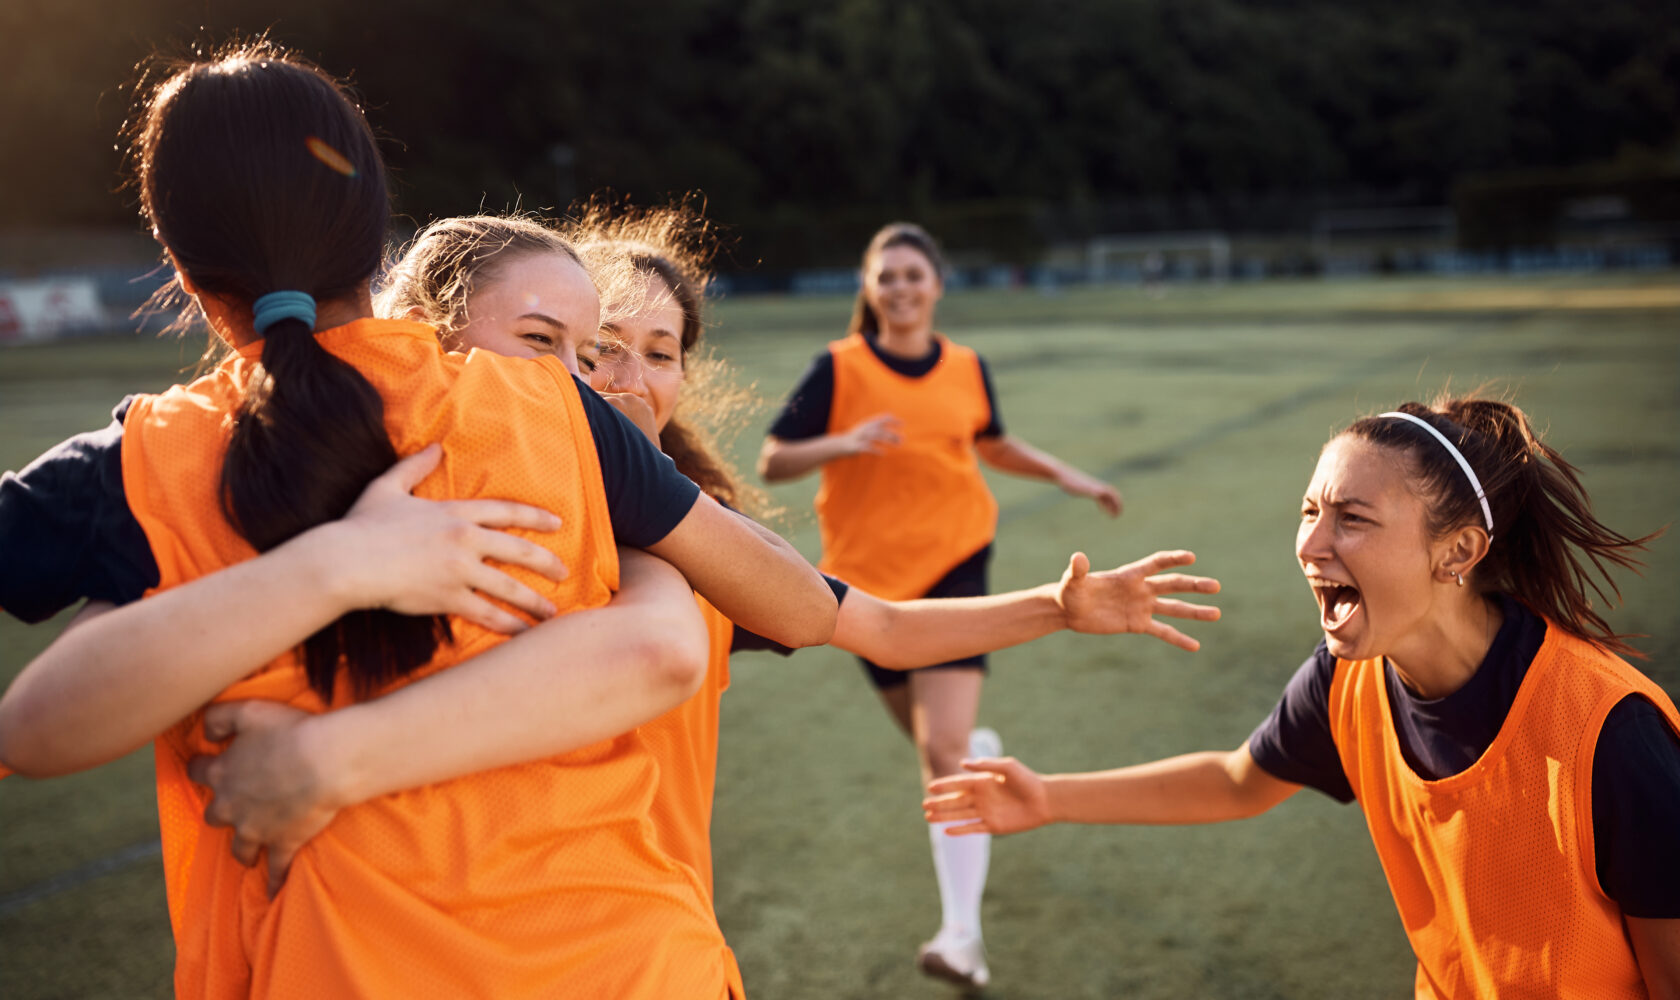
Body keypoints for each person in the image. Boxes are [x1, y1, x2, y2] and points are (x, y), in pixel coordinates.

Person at [181, 206, 1219, 994]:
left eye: (660, 351)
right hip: (406, 942)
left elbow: (877, 624)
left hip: (640, 940)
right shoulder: (395, 500)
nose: (626, 376)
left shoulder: (705, 546)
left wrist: (1058, 605)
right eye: (592, 350)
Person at [0, 44, 837, 1000]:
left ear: (186, 277)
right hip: (632, 965)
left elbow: (31, 729)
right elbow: (801, 611)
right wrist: (656, 572)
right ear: (377, 245)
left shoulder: (152, 462)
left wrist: (327, 570)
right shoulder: (549, 412)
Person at [924, 396, 1680, 998]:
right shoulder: (1347, 679)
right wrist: (1048, 798)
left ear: (1459, 552)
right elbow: (1239, 781)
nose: (1312, 547)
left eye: (1352, 518)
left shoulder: (1609, 732)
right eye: (1310, 511)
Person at [758, 221, 1123, 984]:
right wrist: (845, 441)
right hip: (865, 583)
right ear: (869, 287)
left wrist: (1067, 475)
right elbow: (774, 458)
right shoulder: (838, 367)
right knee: (937, 745)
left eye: (912, 275)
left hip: (955, 561)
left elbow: (992, 442)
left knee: (938, 753)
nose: (900, 288)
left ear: (937, 285)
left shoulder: (966, 366)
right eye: (885, 276)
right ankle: (978, 757)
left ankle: (961, 936)